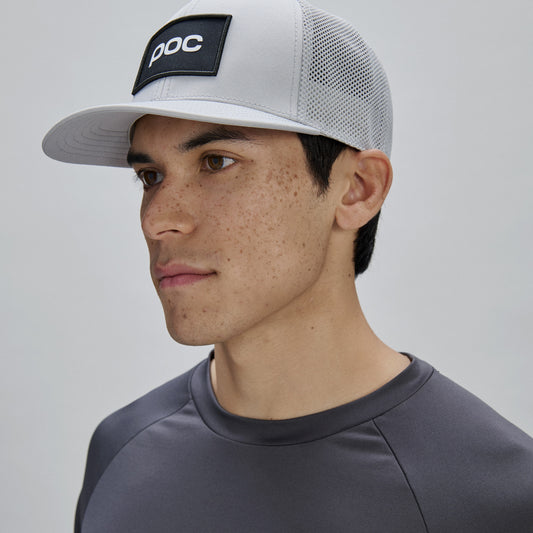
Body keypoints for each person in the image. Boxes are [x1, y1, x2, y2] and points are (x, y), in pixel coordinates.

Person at [42, 0, 533, 531]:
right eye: (151, 176)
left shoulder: (495, 496)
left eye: (217, 162)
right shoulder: (119, 450)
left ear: (357, 189)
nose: (158, 220)